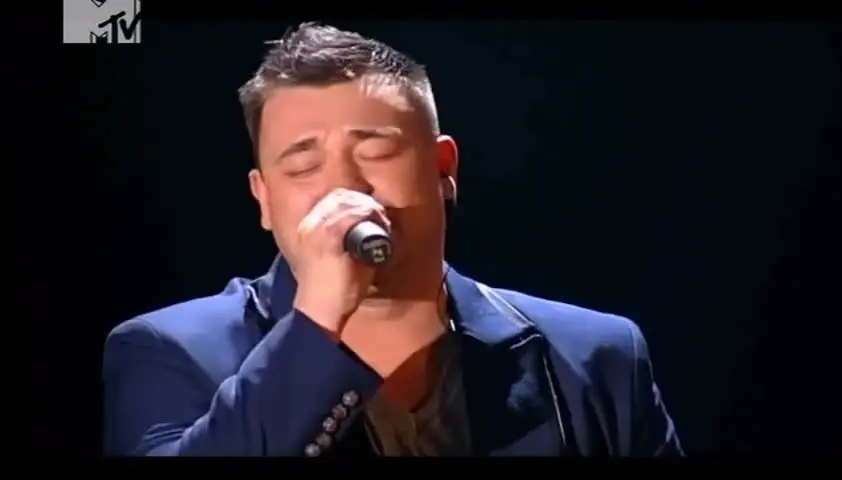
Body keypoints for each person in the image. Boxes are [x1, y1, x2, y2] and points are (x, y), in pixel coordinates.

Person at [102, 22, 682, 457]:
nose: (344, 188)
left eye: (376, 151)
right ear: (264, 200)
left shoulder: (597, 357)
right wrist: (317, 320)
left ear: (444, 168)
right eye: (302, 166)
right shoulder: (169, 351)